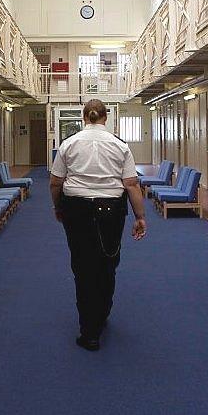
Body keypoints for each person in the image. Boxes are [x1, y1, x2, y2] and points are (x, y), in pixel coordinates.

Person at [49, 99, 148, 351]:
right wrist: (140, 217)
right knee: (107, 263)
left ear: (84, 117)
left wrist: (59, 208)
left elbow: (55, 182)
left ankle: (88, 331)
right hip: (111, 212)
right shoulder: (120, 145)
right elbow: (132, 184)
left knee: (82, 268)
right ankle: (102, 314)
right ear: (106, 118)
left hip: (77, 210)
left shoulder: (68, 144)